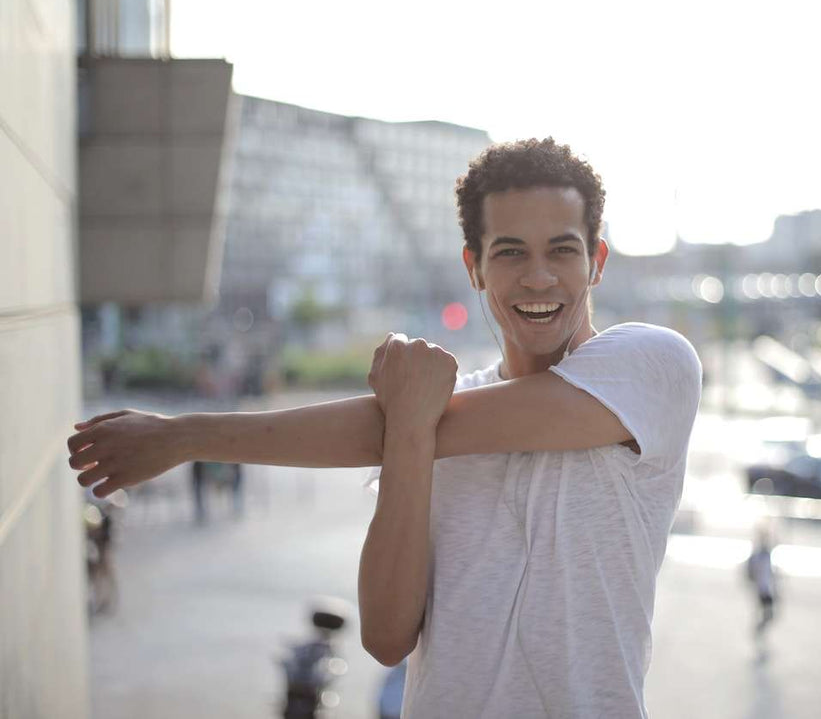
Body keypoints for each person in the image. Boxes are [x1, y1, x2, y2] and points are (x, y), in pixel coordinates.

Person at [67, 138, 702, 718]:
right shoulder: (418, 423)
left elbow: (417, 428)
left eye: (561, 250)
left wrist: (183, 437)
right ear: (474, 266)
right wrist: (407, 433)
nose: (538, 276)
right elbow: (386, 636)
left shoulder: (652, 363)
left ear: (596, 261)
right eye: (510, 252)